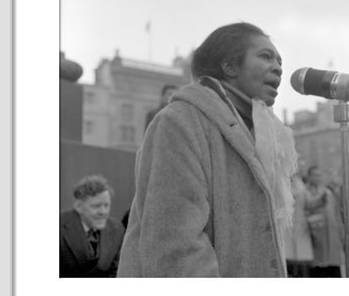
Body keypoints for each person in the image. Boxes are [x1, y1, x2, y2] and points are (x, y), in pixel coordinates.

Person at [117, 22, 298, 277]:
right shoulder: (179, 121)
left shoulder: (261, 135)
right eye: (265, 56)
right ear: (229, 66)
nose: (278, 68)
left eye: (279, 60)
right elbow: (175, 245)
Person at [60, 175, 125, 277]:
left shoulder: (117, 229)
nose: (103, 212)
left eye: (106, 205)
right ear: (79, 206)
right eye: (96, 206)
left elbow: (115, 272)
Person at [304, 165, 345, 277]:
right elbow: (308, 206)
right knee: (318, 270)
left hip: (332, 237)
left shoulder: (328, 192)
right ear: (309, 176)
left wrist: (341, 233)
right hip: (316, 238)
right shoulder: (304, 192)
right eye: (314, 175)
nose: (317, 177)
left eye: (319, 175)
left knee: (334, 270)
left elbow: (337, 214)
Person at [284, 172, 314, 277]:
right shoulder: (283, 186)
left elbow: (310, 204)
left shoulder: (302, 189)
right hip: (286, 225)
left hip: (300, 225)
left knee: (302, 256)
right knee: (287, 254)